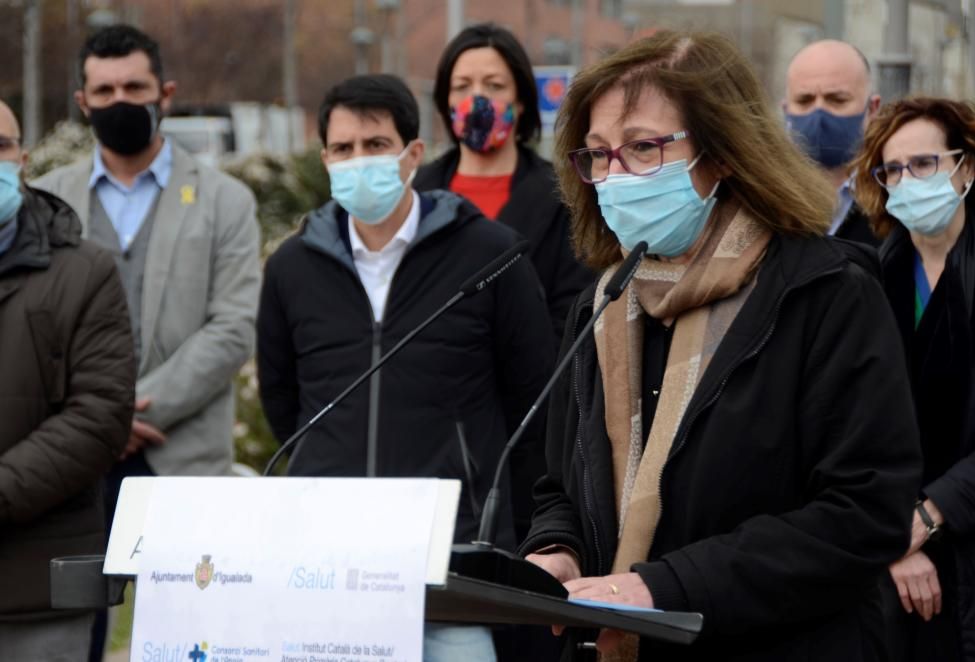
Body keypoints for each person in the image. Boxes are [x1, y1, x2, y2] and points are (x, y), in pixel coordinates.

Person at [519, 30, 922, 661]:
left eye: (643, 148)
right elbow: (561, 485)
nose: (615, 176)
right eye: (598, 154)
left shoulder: (825, 295)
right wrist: (556, 552)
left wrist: (665, 587)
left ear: (723, 152)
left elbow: (864, 513)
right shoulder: (602, 304)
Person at [256, 73, 554, 662]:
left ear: (413, 154)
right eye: (343, 149)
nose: (358, 161)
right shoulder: (292, 266)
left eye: (375, 145)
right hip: (327, 564)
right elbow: (282, 400)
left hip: (452, 563)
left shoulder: (491, 255)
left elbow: (533, 397)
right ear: (324, 158)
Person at [32, 24, 261, 660]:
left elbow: (232, 324)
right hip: (73, 460)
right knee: (74, 634)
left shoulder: (225, 201)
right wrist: (95, 421)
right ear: (82, 102)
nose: (120, 100)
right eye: (103, 90)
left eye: (134, 85)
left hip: (179, 451)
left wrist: (130, 409)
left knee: (191, 638)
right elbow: (34, 334)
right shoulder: (47, 200)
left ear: (165, 92)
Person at [852, 97, 975, 661]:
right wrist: (893, 535)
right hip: (883, 560)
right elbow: (844, 427)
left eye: (924, 164)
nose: (907, 180)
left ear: (965, 168)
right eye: (893, 169)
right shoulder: (864, 280)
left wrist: (930, 513)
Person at [0, 99, 135, 661]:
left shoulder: (85, 271)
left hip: (40, 593)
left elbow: (99, 416)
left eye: (0, 146)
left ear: (23, 159)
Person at [414, 23, 591, 343]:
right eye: (462, 86)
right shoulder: (415, 196)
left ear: (521, 100)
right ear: (446, 101)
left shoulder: (563, 196)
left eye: (494, 85)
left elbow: (573, 310)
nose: (477, 98)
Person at [784, 39, 881, 246]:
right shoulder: (763, 201)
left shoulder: (898, 196)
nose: (819, 114)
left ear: (872, 109)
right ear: (786, 110)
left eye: (837, 100)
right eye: (804, 101)